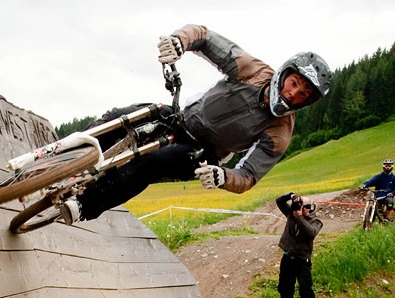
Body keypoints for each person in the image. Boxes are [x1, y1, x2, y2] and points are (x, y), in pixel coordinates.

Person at [62, 24, 332, 223]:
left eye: (303, 94)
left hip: (203, 153)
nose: (293, 94)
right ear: (285, 74)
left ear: (307, 102)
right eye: (294, 83)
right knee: (121, 117)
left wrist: (222, 176)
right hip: (181, 117)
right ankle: (60, 155)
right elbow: (204, 37)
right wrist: (179, 42)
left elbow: (248, 176)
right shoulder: (253, 71)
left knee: (152, 163)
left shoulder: (279, 132)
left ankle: (84, 206)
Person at [275, 192, 323, 298]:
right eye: (300, 206)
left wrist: (300, 217)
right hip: (288, 258)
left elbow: (310, 233)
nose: (301, 209)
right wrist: (290, 196)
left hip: (302, 261)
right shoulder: (292, 213)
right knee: (285, 290)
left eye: (304, 206)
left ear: (311, 207)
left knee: (305, 290)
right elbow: (279, 201)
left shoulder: (316, 221)